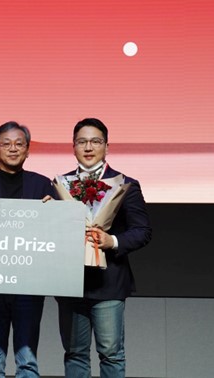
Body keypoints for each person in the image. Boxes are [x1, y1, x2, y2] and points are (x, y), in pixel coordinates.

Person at [56, 118, 152, 378]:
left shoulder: (125, 184)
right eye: (82, 142)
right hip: (71, 284)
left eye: (95, 141)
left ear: (106, 147)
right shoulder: (58, 185)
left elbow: (142, 231)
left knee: (111, 353)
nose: (89, 147)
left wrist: (113, 241)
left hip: (109, 282)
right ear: (73, 147)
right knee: (75, 353)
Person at [0, 121, 56, 378]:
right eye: (6, 144)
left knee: (27, 363)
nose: (13, 149)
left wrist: (54, 211)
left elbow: (52, 235)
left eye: (19, 144)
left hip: (30, 285)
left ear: (28, 150)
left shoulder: (43, 187)